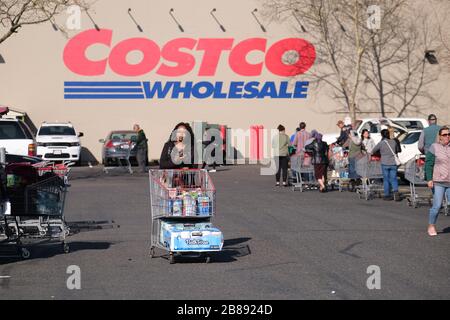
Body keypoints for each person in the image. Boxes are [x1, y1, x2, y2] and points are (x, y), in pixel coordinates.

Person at [425, 126, 450, 237]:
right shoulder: (434, 147)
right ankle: (431, 225)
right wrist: (429, 179)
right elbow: (429, 164)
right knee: (437, 206)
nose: (447, 136)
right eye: (445, 134)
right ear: (440, 136)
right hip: (439, 181)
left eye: (449, 134)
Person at [371, 129, 402, 201]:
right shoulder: (394, 142)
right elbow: (397, 150)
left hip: (385, 163)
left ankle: (387, 194)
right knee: (394, 179)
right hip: (393, 163)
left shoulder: (381, 143)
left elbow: (373, 151)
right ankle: (395, 191)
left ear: (382, 135)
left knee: (386, 179)